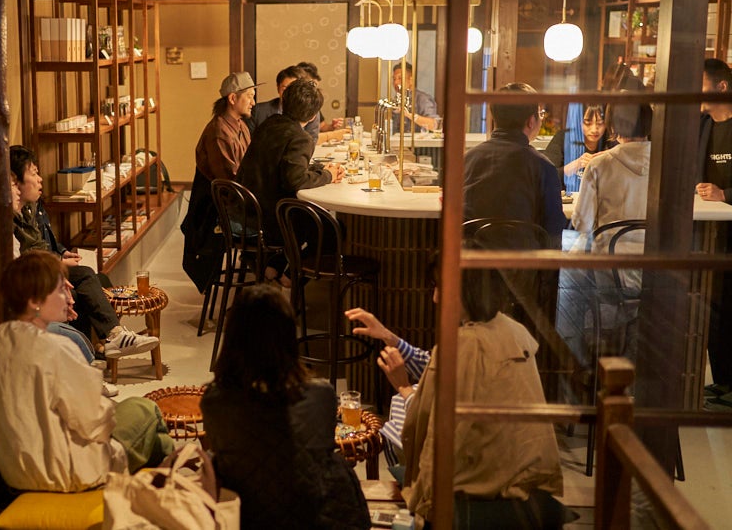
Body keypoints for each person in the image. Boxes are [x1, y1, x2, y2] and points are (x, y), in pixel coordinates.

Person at [346, 266, 566, 529]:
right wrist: (389, 338)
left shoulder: (463, 345)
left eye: (440, 287)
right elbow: (436, 367)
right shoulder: (511, 329)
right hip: (522, 468)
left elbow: (430, 423)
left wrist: (402, 386)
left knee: (396, 419)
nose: (435, 298)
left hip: (484, 479)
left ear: (465, 292)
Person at [0, 251, 174, 492]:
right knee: (145, 409)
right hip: (63, 472)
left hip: (16, 471)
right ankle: (169, 488)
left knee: (157, 441)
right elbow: (93, 422)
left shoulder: (2, 337)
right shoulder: (57, 348)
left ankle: (163, 477)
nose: (70, 297)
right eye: (61, 290)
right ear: (34, 301)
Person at [202, 284, 370, 530]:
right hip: (314, 520)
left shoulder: (214, 402)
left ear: (233, 338)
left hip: (245, 518)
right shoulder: (320, 396)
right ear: (289, 337)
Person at [10, 145, 158, 359]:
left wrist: (62, 253)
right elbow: (28, 258)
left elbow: (46, 241)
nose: (40, 179)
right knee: (84, 280)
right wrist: (58, 263)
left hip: (48, 266)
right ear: (15, 181)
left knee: (100, 279)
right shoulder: (11, 218)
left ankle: (105, 345)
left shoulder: (33, 206)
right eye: (33, 173)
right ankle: (111, 339)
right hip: (37, 276)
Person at [559, 97, 652, 365]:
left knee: (565, 278)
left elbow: (582, 224)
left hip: (609, 272)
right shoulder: (667, 164)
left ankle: (574, 362)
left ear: (612, 126)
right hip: (656, 269)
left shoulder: (600, 164)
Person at [236, 78, 345, 281]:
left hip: (246, 209)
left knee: (308, 218)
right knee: (333, 229)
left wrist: (320, 169)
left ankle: (272, 266)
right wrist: (329, 175)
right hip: (270, 219)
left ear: (283, 102)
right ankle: (291, 276)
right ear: (313, 115)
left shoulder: (269, 123)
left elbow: (281, 165)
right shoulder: (300, 138)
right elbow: (294, 180)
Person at [463, 82, 567, 249]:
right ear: (531, 121)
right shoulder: (543, 167)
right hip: (523, 262)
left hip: (472, 260)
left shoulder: (468, 160)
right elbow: (554, 233)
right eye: (540, 114)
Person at [180, 72, 258, 293]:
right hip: (220, 212)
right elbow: (231, 182)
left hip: (236, 203)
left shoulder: (240, 125)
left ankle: (266, 276)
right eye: (249, 96)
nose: (253, 103)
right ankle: (269, 278)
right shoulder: (219, 132)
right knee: (277, 224)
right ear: (233, 98)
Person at [698, 58, 732, 409]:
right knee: (714, 309)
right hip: (709, 235)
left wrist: (725, 195)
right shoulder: (702, 125)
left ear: (721, 87)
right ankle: (722, 380)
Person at [542, 103, 616, 194]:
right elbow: (545, 176)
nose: (594, 129)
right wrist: (576, 164)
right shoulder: (564, 138)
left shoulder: (611, 140)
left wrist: (613, 157)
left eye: (600, 123)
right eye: (588, 123)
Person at [247, 65, 320, 143]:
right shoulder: (259, 111)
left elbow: (311, 140)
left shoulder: (310, 111)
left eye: (294, 90)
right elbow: (248, 142)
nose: (289, 94)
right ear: (278, 88)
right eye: (284, 89)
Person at [392, 62, 440, 133]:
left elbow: (434, 125)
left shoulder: (423, 99)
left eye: (400, 78)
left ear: (411, 80)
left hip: (420, 140)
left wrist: (410, 115)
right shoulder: (396, 99)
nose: (396, 82)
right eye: (394, 79)